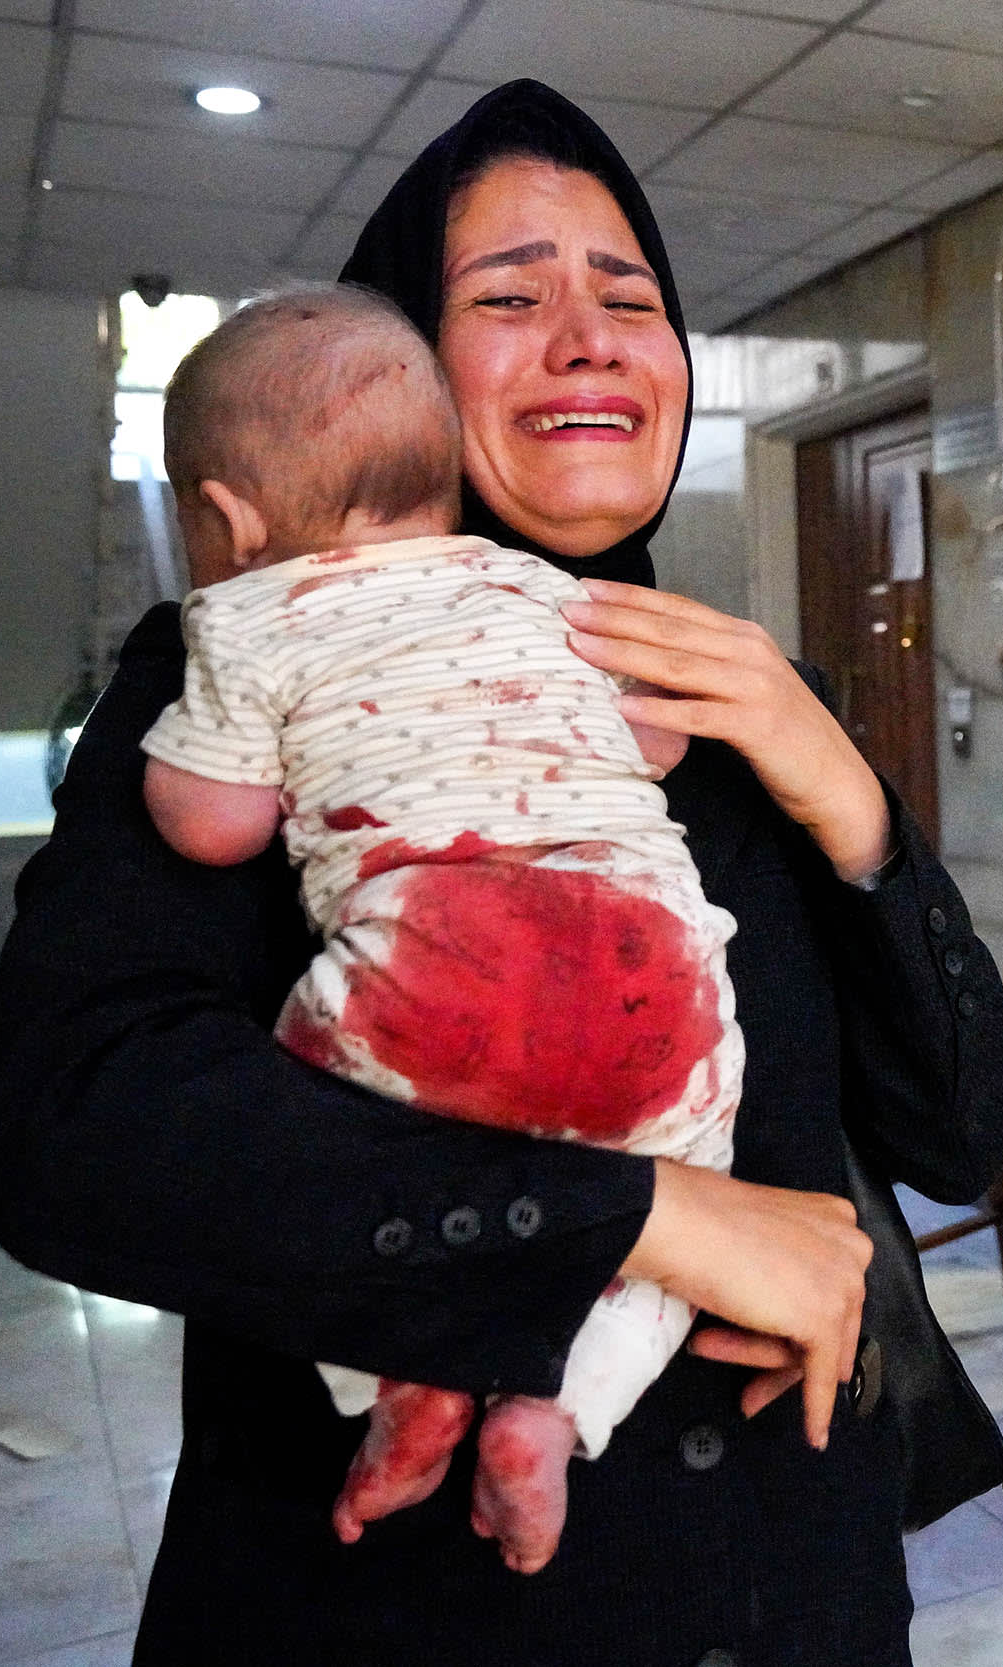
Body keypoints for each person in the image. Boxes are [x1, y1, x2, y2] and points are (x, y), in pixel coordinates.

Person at [0, 80, 1003, 1666]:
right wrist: (649, 1216)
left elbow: (952, 1130)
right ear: (393, 375)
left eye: (631, 298)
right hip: (417, 1618)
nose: (590, 338)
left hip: (792, 1600)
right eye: (510, 298)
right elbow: (76, 1129)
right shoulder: (259, 659)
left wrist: (844, 792)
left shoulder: (746, 692)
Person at [138, 285, 748, 1575]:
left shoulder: (244, 616)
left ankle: (408, 1386)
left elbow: (212, 824)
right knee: (697, 1173)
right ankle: (556, 1410)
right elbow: (656, 737)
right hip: (657, 968)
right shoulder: (532, 588)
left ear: (227, 520)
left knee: (324, 1149)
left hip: (438, 969)